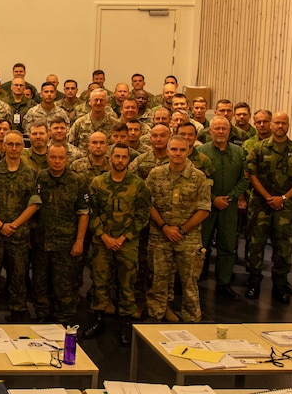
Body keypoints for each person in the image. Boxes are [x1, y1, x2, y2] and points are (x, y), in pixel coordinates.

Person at [85, 144, 150, 345]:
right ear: (109, 158)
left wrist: (124, 237)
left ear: (128, 160)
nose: (120, 160)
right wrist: (103, 236)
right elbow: (91, 211)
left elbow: (142, 215)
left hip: (127, 243)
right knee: (99, 281)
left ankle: (125, 323)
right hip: (102, 241)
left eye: (124, 157)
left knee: (127, 284)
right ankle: (98, 319)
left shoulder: (138, 185)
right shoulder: (97, 183)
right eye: (117, 156)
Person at [145, 134, 212, 322]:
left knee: (190, 284)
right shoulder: (155, 174)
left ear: (189, 151)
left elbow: (204, 209)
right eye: (173, 149)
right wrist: (165, 227)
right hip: (160, 237)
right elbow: (147, 203)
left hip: (188, 240)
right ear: (167, 151)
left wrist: (181, 230)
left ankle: (192, 320)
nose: (178, 153)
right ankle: (155, 316)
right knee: (158, 280)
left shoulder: (199, 177)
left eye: (182, 150)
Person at [245, 111, 292, 303]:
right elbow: (251, 175)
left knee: (282, 247)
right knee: (256, 244)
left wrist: (282, 198)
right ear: (271, 125)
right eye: (277, 123)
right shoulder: (258, 148)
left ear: (288, 126)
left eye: (284, 123)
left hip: (285, 206)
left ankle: (279, 285)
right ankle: (254, 282)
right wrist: (268, 197)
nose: (280, 126)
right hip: (260, 204)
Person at [0, 130, 40, 321]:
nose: (14, 148)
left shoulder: (31, 173)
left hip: (19, 234)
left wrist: (14, 225)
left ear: (23, 147)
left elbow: (35, 202)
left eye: (17, 145)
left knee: (18, 274)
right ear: (4, 146)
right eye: (10, 144)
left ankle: (18, 310)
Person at [31, 144, 89, 324]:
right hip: (41, 242)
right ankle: (42, 317)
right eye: (53, 157)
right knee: (40, 283)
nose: (57, 161)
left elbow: (83, 212)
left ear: (67, 159)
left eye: (61, 158)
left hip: (65, 243)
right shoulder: (40, 178)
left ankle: (64, 320)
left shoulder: (77, 181)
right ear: (47, 157)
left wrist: (79, 241)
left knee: (64, 285)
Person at [196, 116, 249, 297]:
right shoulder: (201, 152)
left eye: (223, 129)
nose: (220, 132)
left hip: (229, 206)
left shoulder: (239, 152)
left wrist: (231, 197)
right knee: (201, 245)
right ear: (210, 131)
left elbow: (245, 178)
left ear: (229, 131)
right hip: (205, 207)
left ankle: (223, 283)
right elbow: (196, 181)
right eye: (216, 128)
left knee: (228, 246)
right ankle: (194, 282)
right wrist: (213, 198)